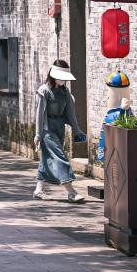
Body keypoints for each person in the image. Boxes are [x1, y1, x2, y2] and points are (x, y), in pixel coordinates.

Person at [33, 59, 88, 203]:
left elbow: (70, 112)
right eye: (61, 77)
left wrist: (76, 130)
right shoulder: (43, 91)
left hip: (59, 127)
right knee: (60, 157)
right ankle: (71, 192)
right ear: (53, 75)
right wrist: (38, 135)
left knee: (47, 158)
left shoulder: (65, 92)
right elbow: (39, 115)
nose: (63, 80)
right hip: (47, 130)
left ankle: (38, 190)